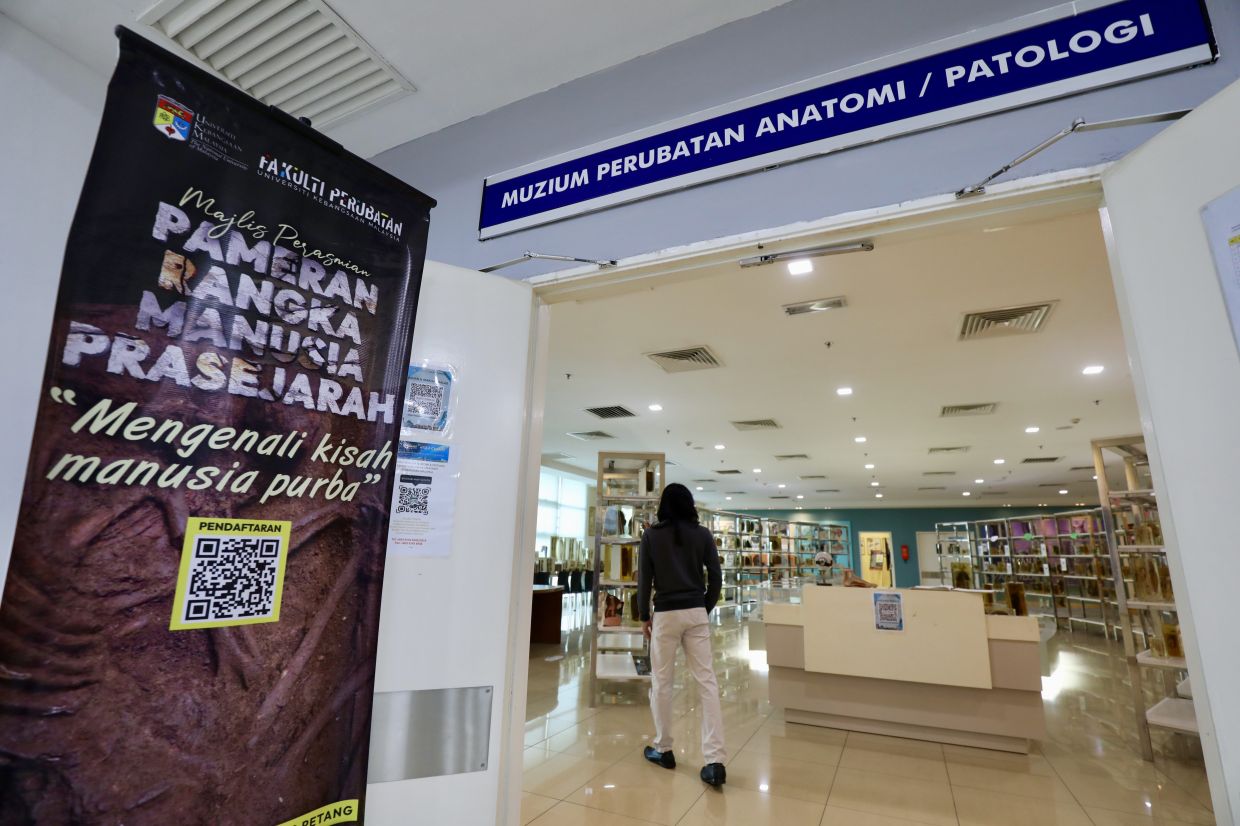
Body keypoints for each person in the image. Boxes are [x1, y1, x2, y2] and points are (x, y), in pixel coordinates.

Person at [637, 483, 726, 787]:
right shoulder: (702, 535)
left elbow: (644, 580)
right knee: (707, 682)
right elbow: (716, 577)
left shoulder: (650, 536)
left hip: (665, 614)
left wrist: (643, 615)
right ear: (690, 505)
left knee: (662, 682)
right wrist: (704, 607)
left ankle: (664, 749)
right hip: (695, 611)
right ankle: (714, 762)